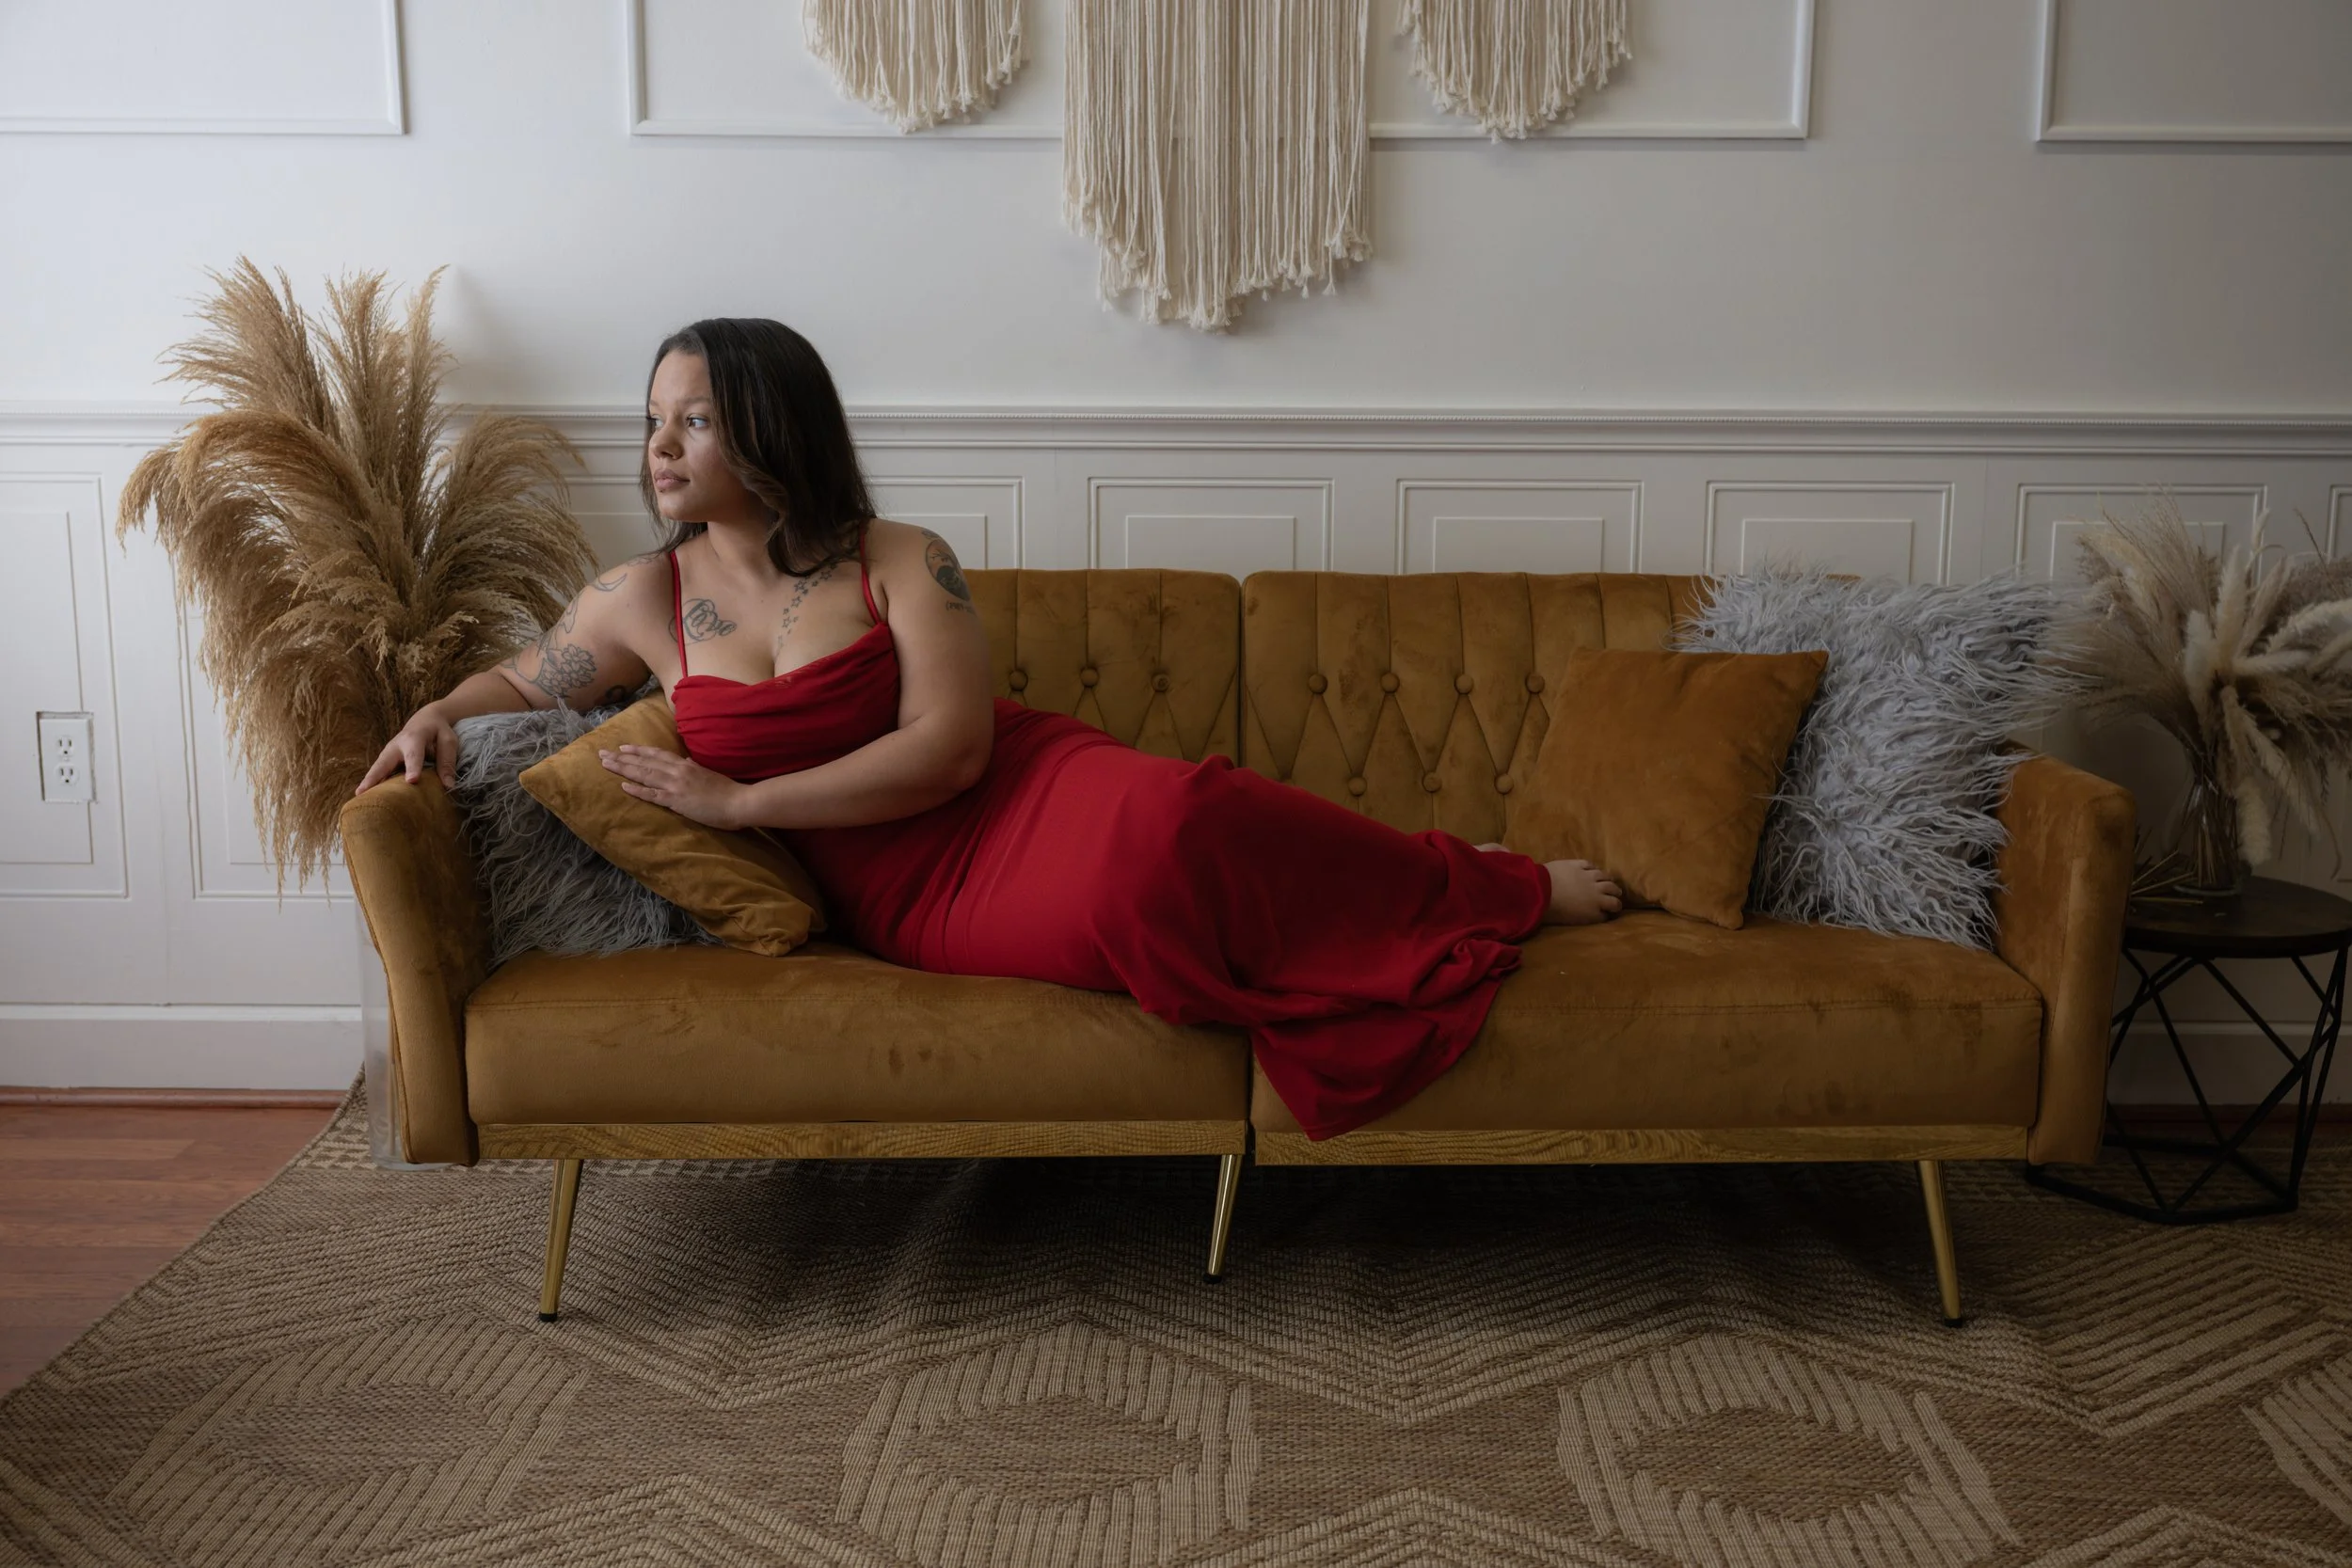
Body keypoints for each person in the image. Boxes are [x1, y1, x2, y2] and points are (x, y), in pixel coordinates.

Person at [356, 319, 1622, 1139]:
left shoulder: (904, 556)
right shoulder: (642, 598)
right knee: (1137, 901)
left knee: (1181, 811)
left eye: (692, 417)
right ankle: (1382, 949)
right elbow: (524, 685)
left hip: (1015, 789)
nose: (659, 447)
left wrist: (741, 808)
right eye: (652, 419)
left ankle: (1490, 886)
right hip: (905, 883)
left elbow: (954, 750)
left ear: (771, 426)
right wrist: (432, 715)